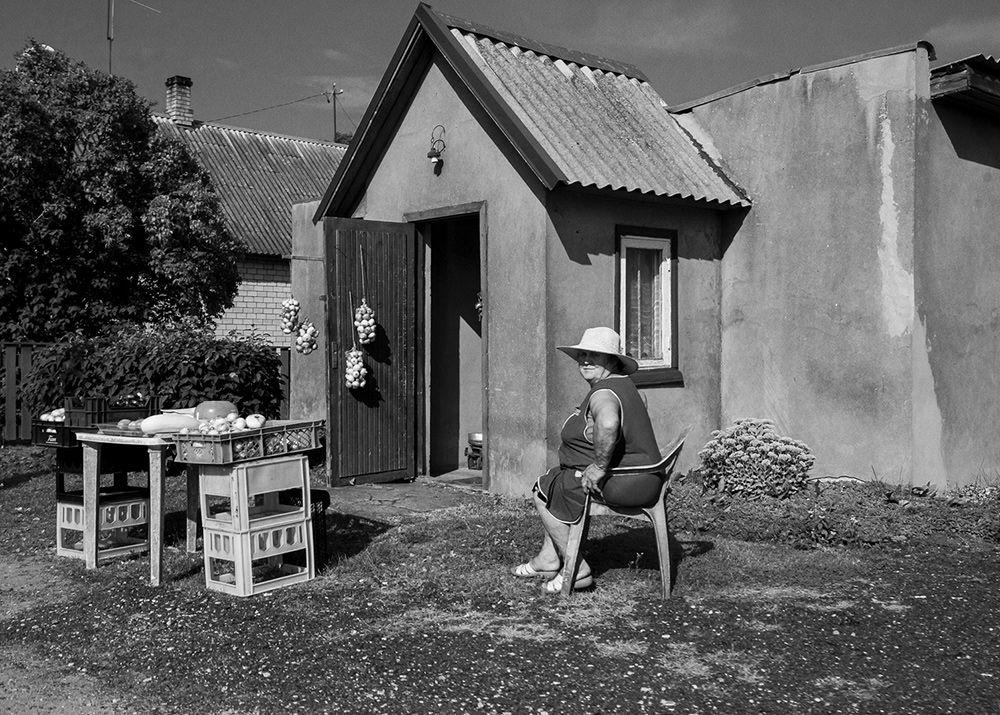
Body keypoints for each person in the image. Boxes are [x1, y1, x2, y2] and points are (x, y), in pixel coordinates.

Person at [512, 326, 662, 593]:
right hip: (641, 478)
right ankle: (548, 559)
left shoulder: (604, 391)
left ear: (613, 360)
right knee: (555, 479)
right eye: (582, 354)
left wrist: (600, 466)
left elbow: (609, 421)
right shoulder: (622, 385)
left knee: (542, 490)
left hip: (626, 483)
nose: (585, 360)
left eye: (595, 355)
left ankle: (577, 569)